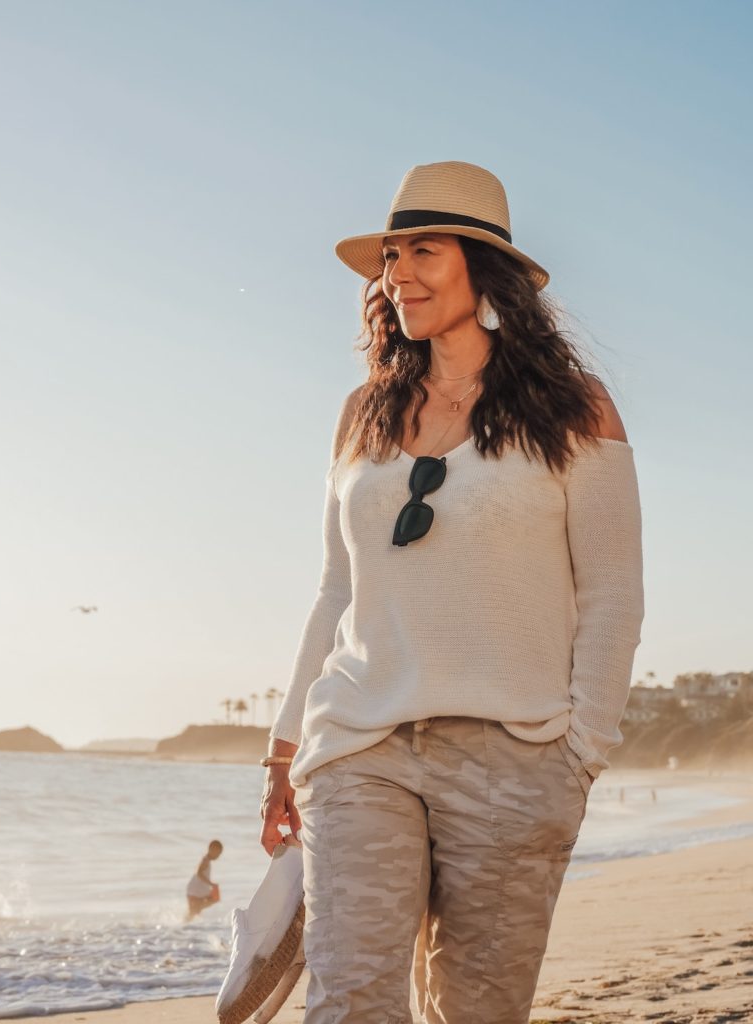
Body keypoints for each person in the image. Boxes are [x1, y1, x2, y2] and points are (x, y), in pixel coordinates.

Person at [259, 160, 645, 1023]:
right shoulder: (362, 411)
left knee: (476, 1012)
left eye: (422, 252)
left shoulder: (577, 410)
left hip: (516, 758)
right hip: (361, 746)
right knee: (350, 1004)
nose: (398, 275)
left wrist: (578, 755)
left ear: (483, 267)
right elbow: (335, 590)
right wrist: (285, 750)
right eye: (390, 258)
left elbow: (614, 596)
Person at [185, 839, 223, 921]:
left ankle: (183, 928)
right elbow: (199, 873)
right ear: (211, 849)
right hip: (194, 890)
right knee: (192, 912)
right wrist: (211, 884)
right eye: (218, 853)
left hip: (198, 890)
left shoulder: (206, 860)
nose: (218, 856)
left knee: (194, 912)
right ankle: (182, 928)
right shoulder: (205, 860)